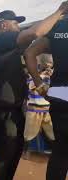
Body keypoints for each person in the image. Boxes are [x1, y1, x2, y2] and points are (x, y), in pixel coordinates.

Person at [0, 4, 68, 180]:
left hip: (14, 106)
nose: (18, 27)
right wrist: (60, 11)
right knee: (5, 151)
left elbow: (30, 51)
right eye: (15, 23)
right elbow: (35, 33)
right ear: (3, 25)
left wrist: (39, 84)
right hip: (4, 107)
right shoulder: (2, 39)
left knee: (15, 149)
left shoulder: (8, 47)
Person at [25, 10, 68, 180]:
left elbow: (29, 53)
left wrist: (39, 84)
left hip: (59, 92)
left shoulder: (58, 27)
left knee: (60, 150)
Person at [23, 55, 55, 159]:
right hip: (33, 108)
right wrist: (42, 75)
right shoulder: (32, 76)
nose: (48, 68)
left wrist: (50, 76)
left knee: (51, 132)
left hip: (47, 108)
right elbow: (31, 86)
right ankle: (26, 153)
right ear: (39, 65)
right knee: (29, 133)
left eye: (50, 66)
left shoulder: (51, 77)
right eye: (46, 66)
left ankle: (55, 153)